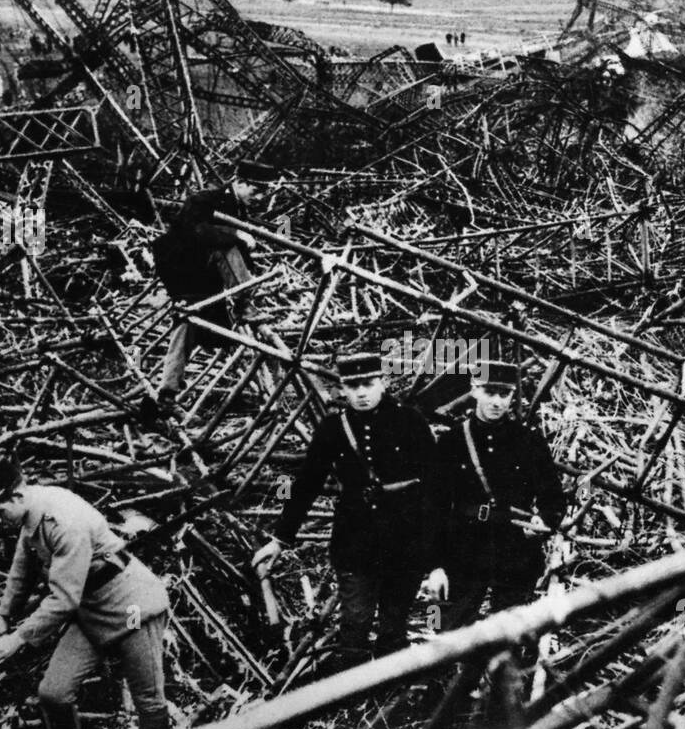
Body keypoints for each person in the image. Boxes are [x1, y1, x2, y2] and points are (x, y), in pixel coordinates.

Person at [0, 459, 171, 729]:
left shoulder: (63, 520)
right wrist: (3, 617)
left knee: (149, 702)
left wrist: (18, 638)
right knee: (53, 693)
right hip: (90, 611)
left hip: (132, 607)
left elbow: (64, 599)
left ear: (17, 497)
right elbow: (21, 571)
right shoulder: (31, 517)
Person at [252, 352, 435, 666]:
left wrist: (436, 554)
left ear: (383, 382)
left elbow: (436, 487)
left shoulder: (410, 420)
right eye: (353, 386)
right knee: (355, 622)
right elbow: (306, 483)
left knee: (394, 625)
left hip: (405, 541)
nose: (361, 393)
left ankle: (390, 698)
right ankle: (350, 696)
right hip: (355, 541)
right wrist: (280, 539)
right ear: (343, 389)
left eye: (368, 384)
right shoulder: (334, 427)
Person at [422, 360, 565, 633]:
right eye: (489, 392)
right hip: (463, 545)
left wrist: (543, 522)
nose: (497, 401)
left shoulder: (528, 440)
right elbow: (433, 506)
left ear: (512, 396)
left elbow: (553, 497)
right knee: (443, 626)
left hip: (515, 547)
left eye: (504, 394)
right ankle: (436, 668)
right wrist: (434, 565)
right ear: (474, 391)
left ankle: (496, 672)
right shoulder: (452, 441)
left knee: (510, 632)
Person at [151, 164, 271, 411]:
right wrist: (237, 234)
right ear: (239, 182)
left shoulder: (238, 208)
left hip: (208, 278)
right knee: (187, 322)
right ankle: (244, 304)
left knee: (194, 327)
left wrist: (245, 250)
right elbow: (197, 233)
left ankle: (168, 393)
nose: (258, 198)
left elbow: (235, 252)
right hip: (182, 271)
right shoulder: (204, 199)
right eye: (256, 191)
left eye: (262, 194)